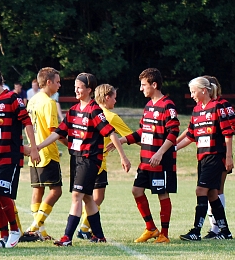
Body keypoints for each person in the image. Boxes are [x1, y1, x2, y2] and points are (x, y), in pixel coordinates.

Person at [37, 73, 130, 247]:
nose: (76, 90)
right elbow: (58, 133)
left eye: (79, 87)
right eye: (75, 87)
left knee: (77, 195)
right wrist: (38, 147)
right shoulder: (73, 110)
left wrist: (123, 157)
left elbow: (110, 133)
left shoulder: (94, 110)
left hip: (90, 159)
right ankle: (99, 235)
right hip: (76, 158)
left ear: (89, 90)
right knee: (87, 197)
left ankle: (67, 237)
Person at [0, 66, 39, 249]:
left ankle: (14, 231)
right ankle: (4, 236)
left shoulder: (13, 98)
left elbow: (27, 122)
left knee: (3, 194)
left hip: (9, 156)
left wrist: (33, 148)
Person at [122, 68, 179, 243]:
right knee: (136, 190)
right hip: (146, 161)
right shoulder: (148, 107)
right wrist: (122, 140)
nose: (141, 89)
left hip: (161, 162)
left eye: (143, 85)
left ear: (154, 85)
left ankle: (165, 234)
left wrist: (160, 153)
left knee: (162, 194)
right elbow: (142, 131)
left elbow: (174, 132)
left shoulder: (167, 105)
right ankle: (151, 228)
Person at [175, 77, 235, 241]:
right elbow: (190, 136)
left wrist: (228, 157)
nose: (192, 95)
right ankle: (225, 231)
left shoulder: (217, 107)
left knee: (200, 190)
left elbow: (228, 133)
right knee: (212, 194)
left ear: (204, 90)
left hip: (215, 156)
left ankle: (196, 230)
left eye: (193, 91)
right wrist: (173, 149)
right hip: (202, 157)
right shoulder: (196, 110)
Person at [75, 84, 133, 239]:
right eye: (114, 97)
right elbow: (132, 136)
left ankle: (85, 229)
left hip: (82, 160)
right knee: (96, 198)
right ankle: (84, 228)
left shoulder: (88, 111)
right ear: (107, 97)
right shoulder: (111, 116)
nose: (115, 100)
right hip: (99, 163)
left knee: (85, 196)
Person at [20, 67, 63, 242]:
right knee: (56, 190)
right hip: (47, 152)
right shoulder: (49, 102)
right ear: (48, 82)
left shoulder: (33, 100)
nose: (60, 85)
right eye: (58, 81)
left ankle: (41, 233)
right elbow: (54, 131)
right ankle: (34, 227)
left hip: (33, 150)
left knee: (37, 190)